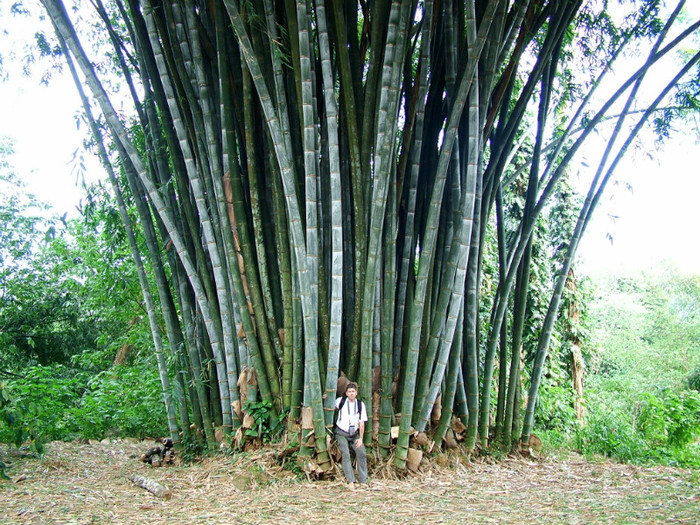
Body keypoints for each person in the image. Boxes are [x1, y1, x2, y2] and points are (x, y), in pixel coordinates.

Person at [334, 381, 368, 489]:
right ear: (346, 393)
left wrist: (361, 439)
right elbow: (329, 404)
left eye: (353, 391)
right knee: (346, 454)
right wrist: (326, 396)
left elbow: (362, 423)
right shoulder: (341, 401)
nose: (351, 393)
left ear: (356, 393)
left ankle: (363, 480)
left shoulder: (360, 405)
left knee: (361, 452)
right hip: (341, 433)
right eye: (349, 391)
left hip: (354, 434)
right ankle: (351, 481)